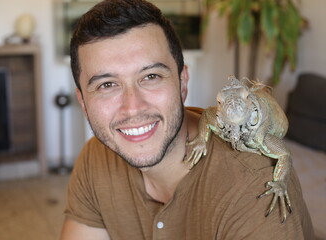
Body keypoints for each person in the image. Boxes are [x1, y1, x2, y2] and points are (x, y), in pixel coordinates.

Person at [60, 0, 314, 239]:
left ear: (182, 83)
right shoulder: (95, 156)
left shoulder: (254, 187)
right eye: (107, 85)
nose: (132, 108)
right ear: (83, 102)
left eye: (151, 77)